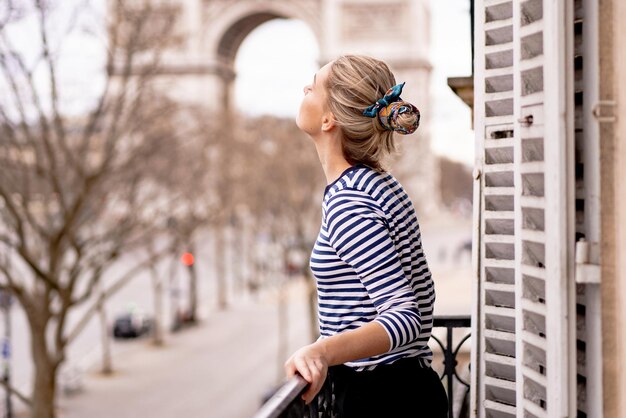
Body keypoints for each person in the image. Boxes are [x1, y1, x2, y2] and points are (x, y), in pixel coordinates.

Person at [284, 55, 448, 417]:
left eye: (315, 85)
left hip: (380, 399)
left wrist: (320, 351)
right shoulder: (379, 184)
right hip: (406, 391)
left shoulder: (350, 203)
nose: (305, 88)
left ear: (330, 120)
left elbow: (404, 316)